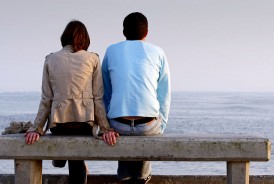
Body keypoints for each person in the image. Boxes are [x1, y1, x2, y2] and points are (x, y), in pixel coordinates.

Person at [25, 20, 119, 184]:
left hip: (59, 126)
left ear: (64, 38)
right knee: (77, 160)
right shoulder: (93, 59)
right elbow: (98, 98)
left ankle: (60, 159)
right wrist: (105, 129)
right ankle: (74, 172)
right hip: (85, 124)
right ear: (86, 39)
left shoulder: (50, 59)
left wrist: (36, 128)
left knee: (73, 155)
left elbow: (46, 99)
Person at [102, 12, 171, 184]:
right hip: (148, 125)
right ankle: (141, 177)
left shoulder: (111, 51)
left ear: (124, 31)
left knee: (125, 131)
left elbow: (105, 92)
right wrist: (161, 124)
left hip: (119, 125)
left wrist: (106, 125)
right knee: (145, 132)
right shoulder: (158, 52)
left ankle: (125, 177)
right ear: (146, 32)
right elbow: (164, 93)